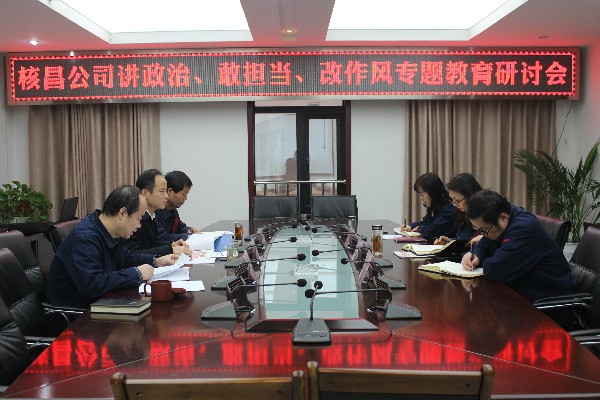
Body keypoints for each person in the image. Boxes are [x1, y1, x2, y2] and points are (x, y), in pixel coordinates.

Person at [45, 185, 178, 308]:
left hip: (102, 303)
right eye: (138, 219)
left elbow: (127, 258)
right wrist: (136, 273)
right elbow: (92, 284)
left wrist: (155, 261)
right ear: (122, 213)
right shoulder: (85, 238)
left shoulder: (110, 231)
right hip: (78, 316)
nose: (139, 226)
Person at [461, 189, 572, 303]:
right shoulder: (499, 216)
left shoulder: (524, 229)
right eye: (478, 229)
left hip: (543, 299)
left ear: (503, 218)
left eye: (483, 230)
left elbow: (496, 270)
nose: (482, 234)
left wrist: (485, 261)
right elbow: (485, 243)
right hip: (518, 291)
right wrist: (476, 254)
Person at [125, 169, 191, 257]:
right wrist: (170, 249)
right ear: (145, 193)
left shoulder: (152, 216)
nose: (166, 196)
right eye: (162, 191)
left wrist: (171, 244)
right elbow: (132, 255)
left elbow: (154, 243)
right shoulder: (134, 218)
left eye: (166, 191)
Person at [398, 172, 456, 242]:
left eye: (422, 195)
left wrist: (419, 229)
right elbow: (426, 222)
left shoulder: (449, 210)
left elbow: (432, 231)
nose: (421, 198)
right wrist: (411, 226)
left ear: (432, 193)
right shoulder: (435, 206)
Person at [434, 173, 483, 245]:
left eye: (457, 200)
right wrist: (450, 242)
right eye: (452, 200)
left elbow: (474, 242)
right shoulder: (462, 214)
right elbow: (464, 240)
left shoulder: (483, 215)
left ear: (469, 196)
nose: (455, 205)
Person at [155, 170, 201, 242]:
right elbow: (162, 237)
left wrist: (189, 230)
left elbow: (180, 227)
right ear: (170, 191)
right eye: (183, 194)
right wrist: (189, 236)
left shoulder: (173, 210)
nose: (186, 198)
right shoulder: (156, 211)